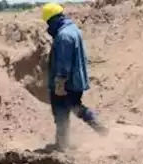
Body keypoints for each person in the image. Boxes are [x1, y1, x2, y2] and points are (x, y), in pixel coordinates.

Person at [41, 3, 109, 152]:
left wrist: (59, 82)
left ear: (52, 20)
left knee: (61, 111)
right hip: (75, 81)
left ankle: (62, 145)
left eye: (48, 22)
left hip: (66, 82)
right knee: (75, 106)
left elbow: (64, 62)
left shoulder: (64, 36)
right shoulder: (72, 29)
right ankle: (99, 128)